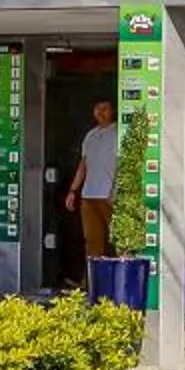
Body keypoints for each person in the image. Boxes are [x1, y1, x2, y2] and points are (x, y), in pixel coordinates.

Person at [65, 99, 119, 263]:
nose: (101, 112)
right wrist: (73, 190)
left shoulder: (119, 132)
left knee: (118, 241)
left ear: (113, 110)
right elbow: (83, 165)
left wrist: (115, 191)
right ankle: (92, 282)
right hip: (89, 195)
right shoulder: (91, 135)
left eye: (105, 108)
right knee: (92, 242)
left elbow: (124, 164)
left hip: (110, 196)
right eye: (97, 108)